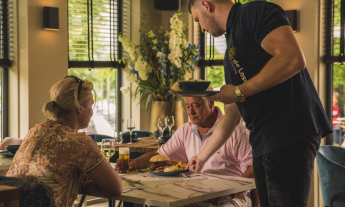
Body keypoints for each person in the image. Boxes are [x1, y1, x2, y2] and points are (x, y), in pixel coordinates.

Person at [187, 0, 332, 207]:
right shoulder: (230, 52)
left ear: (206, 5)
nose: (202, 29)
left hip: (289, 131)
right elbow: (232, 116)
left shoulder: (254, 12)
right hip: (263, 139)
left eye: (198, 20)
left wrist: (237, 91)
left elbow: (292, 59)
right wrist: (202, 156)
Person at [118, 96, 256, 207]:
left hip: (233, 197)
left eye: (196, 105)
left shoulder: (236, 131)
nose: (190, 112)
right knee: (154, 203)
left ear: (211, 103)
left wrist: (230, 193)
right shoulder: (186, 130)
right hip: (196, 193)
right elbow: (159, 155)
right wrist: (132, 164)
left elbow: (254, 169)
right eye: (187, 106)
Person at [6, 76, 122, 206]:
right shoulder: (79, 142)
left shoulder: (35, 131)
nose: (92, 112)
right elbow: (115, 187)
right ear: (80, 107)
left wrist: (80, 182)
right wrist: (85, 184)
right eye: (91, 105)